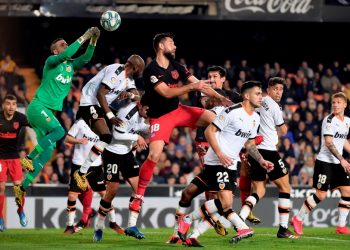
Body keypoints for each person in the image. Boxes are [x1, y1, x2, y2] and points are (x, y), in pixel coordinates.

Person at [128, 33, 229, 236]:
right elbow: (166, 93)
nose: (175, 46)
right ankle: (138, 198)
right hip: (161, 117)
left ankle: (225, 157)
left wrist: (220, 98)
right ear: (161, 45)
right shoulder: (151, 70)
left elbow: (199, 84)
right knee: (154, 155)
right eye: (171, 43)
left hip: (178, 111)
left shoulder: (177, 66)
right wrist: (192, 86)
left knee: (218, 119)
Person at [177, 81, 274, 247]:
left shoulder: (256, 118)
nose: (261, 97)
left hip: (231, 162)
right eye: (258, 94)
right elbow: (209, 131)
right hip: (218, 160)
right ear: (247, 96)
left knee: (222, 203)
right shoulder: (232, 112)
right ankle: (240, 227)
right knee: (226, 203)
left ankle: (191, 228)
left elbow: (249, 145)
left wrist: (261, 160)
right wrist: (220, 153)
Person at [14, 27, 101, 207]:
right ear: (55, 51)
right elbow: (67, 53)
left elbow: (85, 58)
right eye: (63, 45)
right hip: (38, 106)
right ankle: (28, 158)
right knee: (59, 130)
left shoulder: (70, 66)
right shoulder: (51, 61)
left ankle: (21, 187)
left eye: (67, 44)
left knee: (46, 154)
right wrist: (84, 36)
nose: (66, 46)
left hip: (46, 112)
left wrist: (93, 41)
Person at [73, 54, 145, 190]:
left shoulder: (127, 78)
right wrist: (110, 115)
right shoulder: (116, 71)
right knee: (106, 136)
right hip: (89, 103)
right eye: (141, 69)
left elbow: (137, 96)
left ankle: (125, 158)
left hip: (100, 106)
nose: (141, 72)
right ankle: (81, 172)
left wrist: (129, 94)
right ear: (135, 67)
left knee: (123, 126)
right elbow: (100, 93)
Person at [238, 77, 297, 238]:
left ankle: (241, 218)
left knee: (260, 190)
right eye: (276, 89)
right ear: (269, 90)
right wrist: (286, 121)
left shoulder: (257, 101)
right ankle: (283, 228)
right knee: (285, 188)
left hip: (254, 150)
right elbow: (283, 131)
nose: (278, 92)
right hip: (268, 151)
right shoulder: (273, 106)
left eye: (281, 89)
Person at [292, 92, 350, 235]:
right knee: (321, 195)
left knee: (348, 192)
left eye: (338, 102)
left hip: (338, 163)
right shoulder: (329, 120)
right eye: (333, 102)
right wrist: (342, 159)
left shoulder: (347, 121)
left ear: (345, 104)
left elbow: (343, 141)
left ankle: (341, 226)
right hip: (325, 162)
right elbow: (329, 143)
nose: (335, 104)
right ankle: (298, 218)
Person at [93, 97, 149, 242]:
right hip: (112, 153)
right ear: (140, 105)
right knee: (112, 190)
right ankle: (99, 227)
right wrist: (136, 137)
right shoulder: (126, 112)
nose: (148, 113)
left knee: (139, 189)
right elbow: (117, 134)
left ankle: (132, 225)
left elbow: (140, 126)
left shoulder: (141, 114)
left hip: (127, 154)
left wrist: (155, 128)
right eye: (147, 110)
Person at [63, 118, 123, 235]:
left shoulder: (104, 130)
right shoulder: (81, 123)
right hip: (79, 165)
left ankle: (113, 222)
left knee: (105, 195)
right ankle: (69, 225)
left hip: (95, 166)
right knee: (72, 195)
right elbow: (67, 138)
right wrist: (79, 141)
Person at [0, 95, 30, 232]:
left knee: (19, 188)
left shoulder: (20, 118)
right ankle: (0, 218)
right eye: (8, 104)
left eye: (13, 104)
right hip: (0, 159)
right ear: (3, 105)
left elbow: (34, 125)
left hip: (14, 158)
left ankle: (21, 210)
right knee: (1, 188)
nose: (11, 106)